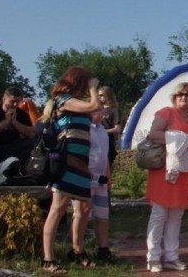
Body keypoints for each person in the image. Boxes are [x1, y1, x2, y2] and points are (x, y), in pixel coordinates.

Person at [41, 67, 101, 274]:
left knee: (84, 208)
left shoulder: (76, 104)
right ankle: (48, 258)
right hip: (66, 161)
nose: (87, 87)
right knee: (58, 208)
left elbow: (95, 111)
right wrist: (94, 88)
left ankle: (77, 250)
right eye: (84, 84)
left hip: (81, 164)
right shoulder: (63, 100)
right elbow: (94, 105)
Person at [144, 82, 188, 272]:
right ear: (174, 96)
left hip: (184, 171)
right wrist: (178, 139)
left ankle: (171, 255)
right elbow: (153, 134)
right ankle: (153, 256)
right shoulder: (166, 113)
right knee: (159, 214)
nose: (184, 97)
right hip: (164, 171)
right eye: (180, 94)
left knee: (176, 215)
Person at [69, 106, 116, 265]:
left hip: (101, 178)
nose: (101, 113)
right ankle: (77, 249)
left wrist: (108, 174)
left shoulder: (102, 130)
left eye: (102, 110)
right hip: (85, 177)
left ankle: (103, 248)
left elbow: (105, 153)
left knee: (102, 214)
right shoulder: (83, 129)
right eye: (97, 110)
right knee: (82, 213)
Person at [0, 86, 35, 166]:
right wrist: (5, 123)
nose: (15, 104)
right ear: (4, 99)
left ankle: (21, 169)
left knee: (33, 143)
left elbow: (31, 134)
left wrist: (15, 122)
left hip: (13, 146)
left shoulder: (22, 114)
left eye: (18, 102)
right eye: (12, 101)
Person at [97, 86, 122, 169]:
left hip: (108, 143)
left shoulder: (114, 110)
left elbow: (117, 129)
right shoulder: (97, 110)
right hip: (96, 143)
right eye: (98, 95)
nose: (99, 97)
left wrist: (102, 131)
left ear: (107, 95)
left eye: (101, 95)